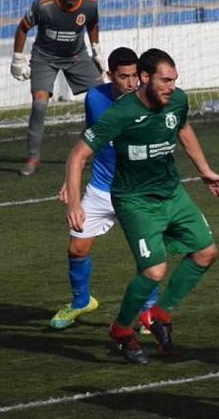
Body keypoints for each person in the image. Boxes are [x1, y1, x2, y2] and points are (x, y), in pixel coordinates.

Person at [64, 48, 219, 364]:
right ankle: (122, 331)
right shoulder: (121, 113)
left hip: (172, 193)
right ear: (145, 78)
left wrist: (204, 169)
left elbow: (182, 128)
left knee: (206, 253)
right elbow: (77, 155)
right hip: (135, 200)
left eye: (174, 80)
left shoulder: (177, 101)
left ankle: (158, 316)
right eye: (165, 80)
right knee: (154, 270)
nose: (171, 86)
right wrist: (73, 201)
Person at [51, 47, 160, 330]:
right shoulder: (95, 98)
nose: (132, 82)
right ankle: (80, 302)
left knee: (146, 255)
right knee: (76, 248)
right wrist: (71, 178)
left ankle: (149, 315)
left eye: (136, 75)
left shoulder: (151, 100)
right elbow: (90, 136)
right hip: (101, 188)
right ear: (109, 75)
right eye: (124, 76)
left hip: (136, 191)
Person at [11, 0, 105, 176]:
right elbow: (23, 28)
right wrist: (18, 59)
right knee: (39, 105)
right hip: (45, 58)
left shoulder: (90, 5)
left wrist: (97, 50)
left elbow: (92, 25)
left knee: (103, 101)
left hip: (77, 57)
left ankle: (90, 150)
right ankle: (33, 158)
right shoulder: (43, 6)